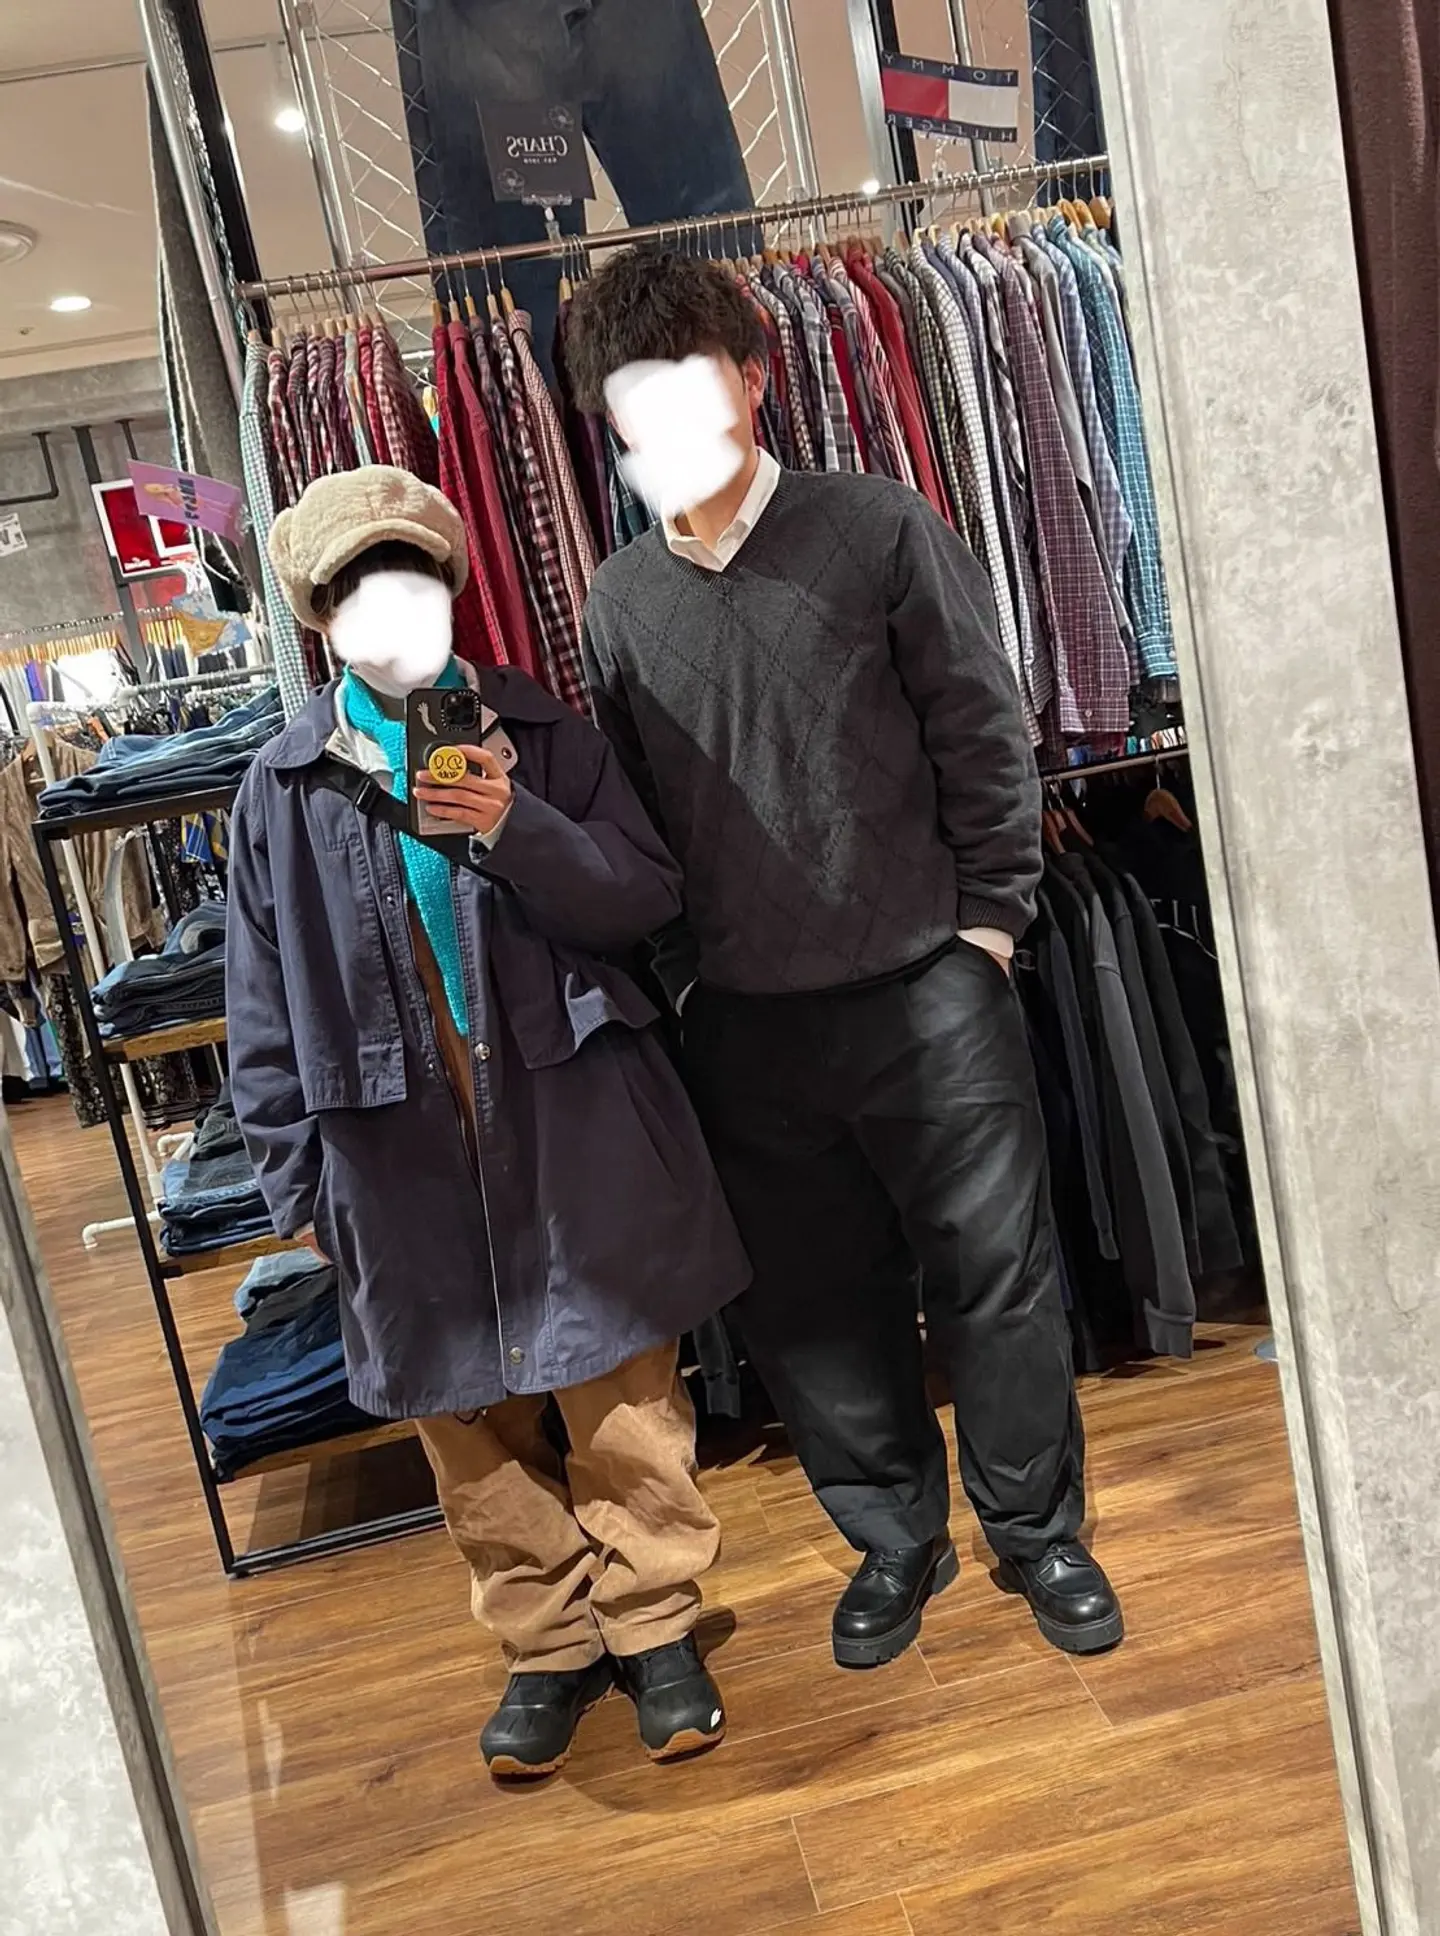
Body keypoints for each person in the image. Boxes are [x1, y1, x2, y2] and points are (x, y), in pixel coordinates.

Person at [566, 252, 1124, 1669]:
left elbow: (982, 727)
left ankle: (1037, 1532)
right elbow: (636, 811)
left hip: (932, 983)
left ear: (755, 378)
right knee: (814, 1303)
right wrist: (688, 976)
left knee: (995, 1272)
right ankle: (892, 1538)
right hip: (747, 1020)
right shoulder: (619, 599)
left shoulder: (876, 526)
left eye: (694, 378)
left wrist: (989, 927)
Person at [226, 465, 750, 1776]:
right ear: (317, 617)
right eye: (353, 588)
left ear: (453, 589)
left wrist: (519, 826)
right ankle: (547, 1640)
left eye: (410, 577)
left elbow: (641, 899)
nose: (387, 606)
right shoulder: (283, 786)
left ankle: (655, 1621)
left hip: (568, 1105)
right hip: (390, 1140)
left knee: (619, 1378)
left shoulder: (548, 734)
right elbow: (259, 1001)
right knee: (460, 1401)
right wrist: (294, 1180)